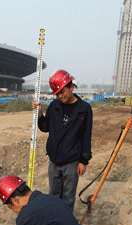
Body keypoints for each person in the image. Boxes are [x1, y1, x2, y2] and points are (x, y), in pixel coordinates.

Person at [32, 69, 93, 212]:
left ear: (71, 87)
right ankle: (53, 222)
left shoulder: (84, 109)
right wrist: (40, 114)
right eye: (57, 93)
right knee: (53, 195)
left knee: (68, 197)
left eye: (63, 91)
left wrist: (84, 161)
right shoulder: (54, 106)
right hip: (54, 161)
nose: (60, 96)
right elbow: (45, 127)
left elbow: (86, 135)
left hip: (72, 162)